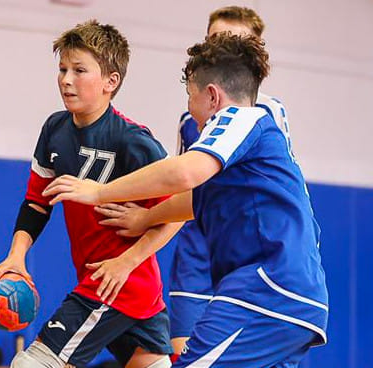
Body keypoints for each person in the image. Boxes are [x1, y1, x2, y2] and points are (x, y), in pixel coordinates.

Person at [44, 33, 328, 367]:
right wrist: (147, 218)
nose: (190, 111)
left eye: (190, 96)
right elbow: (196, 198)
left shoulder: (241, 118)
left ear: (212, 96)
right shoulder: (253, 150)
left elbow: (183, 173)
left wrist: (99, 192)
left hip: (266, 289)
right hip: (293, 299)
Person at [94, 6, 295, 359]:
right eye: (216, 38)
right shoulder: (192, 118)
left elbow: (186, 174)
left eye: (236, 40)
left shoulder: (264, 114)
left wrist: (99, 191)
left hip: (253, 256)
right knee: (184, 354)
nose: (225, 47)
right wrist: (143, 226)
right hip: (199, 250)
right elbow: (190, 194)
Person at [0, 19, 179, 368]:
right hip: (118, 287)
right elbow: (37, 202)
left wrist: (125, 262)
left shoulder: (133, 141)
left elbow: (180, 211)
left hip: (116, 285)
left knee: (31, 364)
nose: (66, 79)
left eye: (79, 70)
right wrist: (16, 256)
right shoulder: (55, 129)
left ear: (110, 82)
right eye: (62, 69)